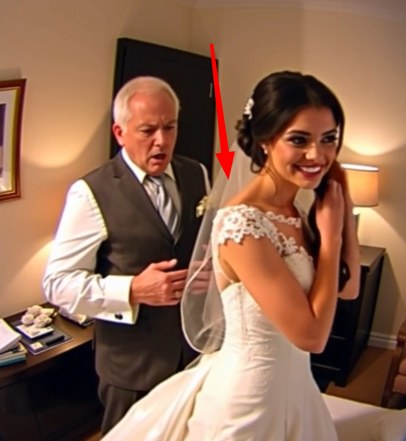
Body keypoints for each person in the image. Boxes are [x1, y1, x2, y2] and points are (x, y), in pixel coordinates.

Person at [101, 70, 361, 441]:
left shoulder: (298, 212)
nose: (317, 154)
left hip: (297, 390)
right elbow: (311, 337)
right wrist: (331, 238)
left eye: (328, 138)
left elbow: (348, 289)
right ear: (266, 140)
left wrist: (342, 198)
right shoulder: (242, 224)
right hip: (251, 400)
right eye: (299, 139)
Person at [42, 76, 210, 434]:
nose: (162, 140)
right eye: (148, 130)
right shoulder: (90, 192)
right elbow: (57, 284)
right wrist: (132, 289)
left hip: (194, 356)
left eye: (170, 127)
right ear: (120, 133)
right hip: (133, 369)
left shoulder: (197, 174)